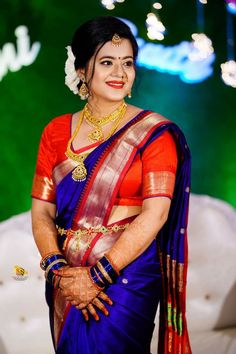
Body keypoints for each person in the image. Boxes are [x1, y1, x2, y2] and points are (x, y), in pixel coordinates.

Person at [31, 16, 192, 354]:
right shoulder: (56, 132)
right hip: (67, 276)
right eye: (107, 62)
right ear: (81, 70)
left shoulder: (154, 134)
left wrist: (98, 275)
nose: (120, 73)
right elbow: (42, 210)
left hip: (127, 276)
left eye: (128, 63)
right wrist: (59, 271)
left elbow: (156, 213)